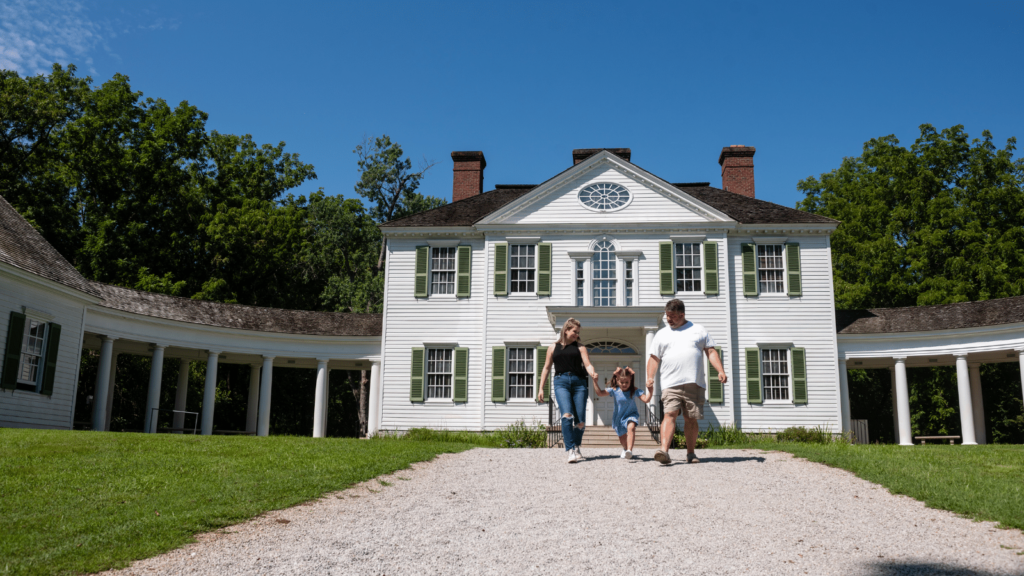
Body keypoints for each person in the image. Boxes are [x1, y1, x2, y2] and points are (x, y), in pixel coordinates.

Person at [647, 299, 726, 465]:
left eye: (673, 316)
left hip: (694, 383)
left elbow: (710, 351)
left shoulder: (698, 330)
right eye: (667, 316)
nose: (669, 319)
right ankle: (664, 451)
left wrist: (720, 370)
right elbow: (654, 358)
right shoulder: (662, 334)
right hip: (670, 383)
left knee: (691, 419)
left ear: (682, 315)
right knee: (669, 414)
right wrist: (650, 377)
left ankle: (690, 453)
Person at [537, 317, 599, 463]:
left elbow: (588, 365)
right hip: (561, 382)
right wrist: (541, 388)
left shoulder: (581, 347)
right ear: (566, 330)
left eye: (578, 332)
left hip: (579, 383)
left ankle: (577, 447)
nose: (577, 335)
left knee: (580, 421)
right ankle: (570, 450)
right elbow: (546, 368)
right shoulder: (553, 347)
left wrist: (593, 372)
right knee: (567, 415)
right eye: (574, 332)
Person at [592, 366, 653, 460]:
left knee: (631, 428)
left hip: (631, 414)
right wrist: (595, 382)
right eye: (622, 382)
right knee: (622, 437)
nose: (624, 384)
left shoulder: (634, 390)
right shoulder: (614, 390)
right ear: (617, 380)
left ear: (630, 380)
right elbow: (599, 393)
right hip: (619, 417)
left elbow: (646, 399)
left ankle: (629, 450)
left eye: (627, 382)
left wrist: (651, 390)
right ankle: (625, 448)